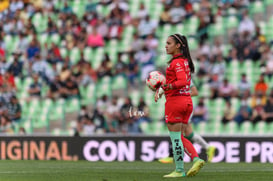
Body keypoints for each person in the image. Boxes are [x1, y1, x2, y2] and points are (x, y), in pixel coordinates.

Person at [154, 34, 204, 177]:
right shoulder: (184, 61)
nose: (166, 45)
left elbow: (182, 82)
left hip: (176, 102)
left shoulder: (176, 63)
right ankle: (196, 159)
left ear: (178, 46)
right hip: (186, 101)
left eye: (169, 43)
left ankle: (180, 170)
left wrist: (165, 87)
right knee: (180, 136)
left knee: (175, 137)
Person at [159, 80, 216, 164]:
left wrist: (180, 96)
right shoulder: (177, 77)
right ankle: (208, 147)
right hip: (181, 105)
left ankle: (172, 156)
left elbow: (195, 92)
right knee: (188, 134)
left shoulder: (184, 77)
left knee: (177, 132)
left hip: (183, 106)